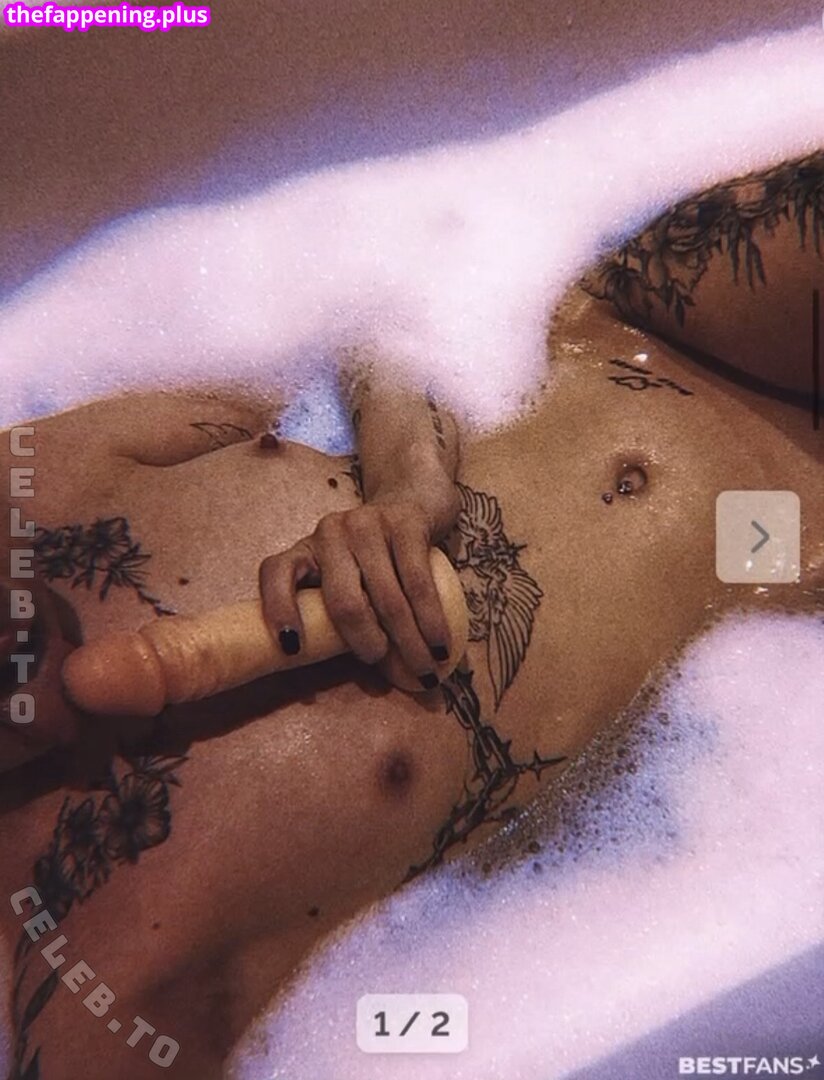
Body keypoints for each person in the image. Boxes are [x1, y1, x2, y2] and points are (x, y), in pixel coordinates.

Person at [0, 155, 822, 1080]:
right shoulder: (97, 988)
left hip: (650, 331)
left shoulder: (34, 486)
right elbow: (436, 1032)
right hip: (781, 563)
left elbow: (369, 307)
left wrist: (405, 477)